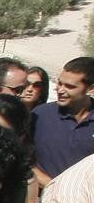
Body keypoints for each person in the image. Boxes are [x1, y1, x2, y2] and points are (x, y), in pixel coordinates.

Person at [31, 56, 93, 188]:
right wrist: (53, 186)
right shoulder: (41, 115)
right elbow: (20, 157)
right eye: (59, 83)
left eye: (69, 86)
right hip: (40, 199)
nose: (60, 90)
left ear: (91, 89)